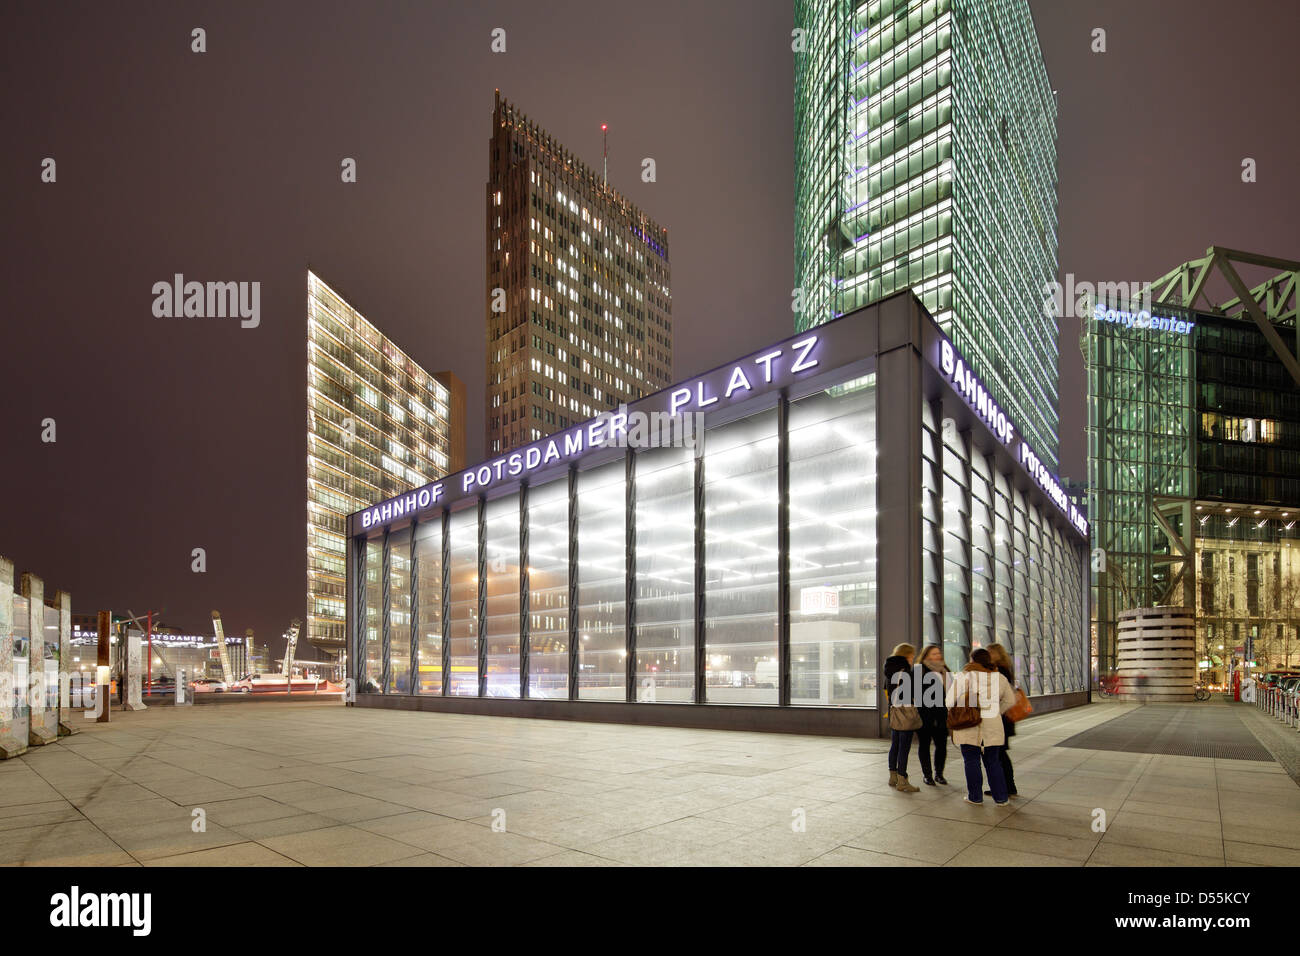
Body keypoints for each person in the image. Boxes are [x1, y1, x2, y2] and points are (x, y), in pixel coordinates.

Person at [946, 647, 1016, 806]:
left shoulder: (965, 676)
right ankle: (1001, 798)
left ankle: (975, 797)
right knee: (993, 762)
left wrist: (960, 712)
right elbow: (1010, 701)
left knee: (971, 760)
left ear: (972, 660)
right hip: (993, 724)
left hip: (970, 724)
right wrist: (997, 711)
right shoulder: (1000, 678)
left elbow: (949, 702)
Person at [884, 643, 920, 793]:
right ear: (907, 656)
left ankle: (893, 777)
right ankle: (902, 780)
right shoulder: (906, 669)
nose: (913, 659)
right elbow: (914, 690)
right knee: (904, 748)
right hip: (906, 711)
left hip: (894, 711)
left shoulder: (889, 669)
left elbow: (886, 689)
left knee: (895, 745)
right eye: (912, 656)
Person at [985, 643, 1019, 799]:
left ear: (997, 654)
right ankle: (1008, 786)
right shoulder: (1004, 669)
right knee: (1000, 754)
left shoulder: (1000, 671)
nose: (988, 655)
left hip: (1001, 719)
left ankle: (1004, 786)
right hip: (1003, 718)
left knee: (998, 754)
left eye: (990, 653)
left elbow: (1002, 696)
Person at [915, 644, 950, 786]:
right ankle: (927, 774)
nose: (937, 656)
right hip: (925, 714)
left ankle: (939, 774)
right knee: (924, 745)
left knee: (941, 745)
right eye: (934, 654)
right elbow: (915, 693)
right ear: (926, 655)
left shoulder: (945, 670)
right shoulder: (919, 670)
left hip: (942, 714)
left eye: (938, 653)